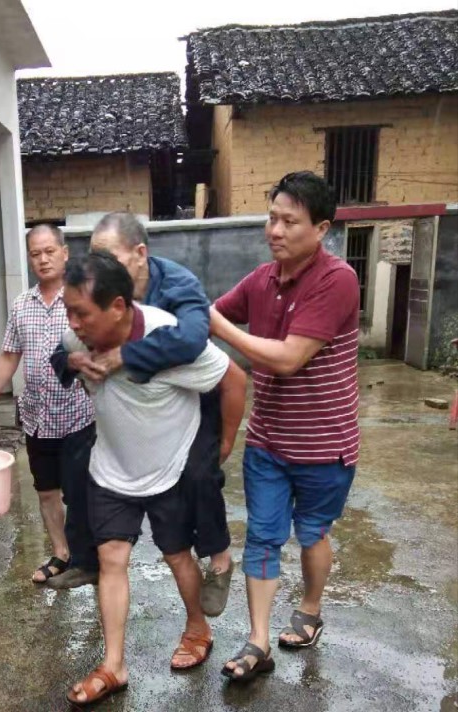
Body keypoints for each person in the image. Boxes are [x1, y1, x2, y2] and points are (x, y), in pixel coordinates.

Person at [59, 252, 247, 707]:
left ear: (119, 307)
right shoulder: (76, 339)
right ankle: (114, 665)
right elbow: (63, 358)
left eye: (81, 312)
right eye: (68, 312)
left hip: (169, 468)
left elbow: (234, 378)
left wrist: (222, 444)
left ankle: (197, 627)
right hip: (112, 470)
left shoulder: (171, 340)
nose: (73, 324)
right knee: (111, 560)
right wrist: (73, 363)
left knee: (177, 556)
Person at [210, 171, 360, 682]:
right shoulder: (260, 280)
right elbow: (209, 313)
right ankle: (258, 641)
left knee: (313, 532)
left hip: (324, 445)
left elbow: (289, 358)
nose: (274, 230)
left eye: (288, 221)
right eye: (271, 218)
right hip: (269, 443)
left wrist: (221, 328)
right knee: (263, 537)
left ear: (319, 229)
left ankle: (311, 610)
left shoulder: (338, 279)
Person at [50, 212, 237, 617]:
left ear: (139, 254)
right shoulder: (94, 298)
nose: (103, 268)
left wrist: (125, 355)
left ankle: (219, 561)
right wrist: (75, 360)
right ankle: (87, 559)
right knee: (81, 460)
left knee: (200, 475)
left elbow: (190, 341)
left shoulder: (177, 286)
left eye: (110, 257)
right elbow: (62, 352)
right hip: (133, 407)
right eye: (96, 257)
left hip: (190, 396)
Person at [0, 225, 97, 587]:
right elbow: (10, 357)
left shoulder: (81, 298)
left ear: (64, 253)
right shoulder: (22, 305)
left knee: (80, 492)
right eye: (35, 254)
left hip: (77, 415)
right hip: (37, 416)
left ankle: (89, 561)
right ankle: (62, 553)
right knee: (46, 490)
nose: (42, 259)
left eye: (49, 252)